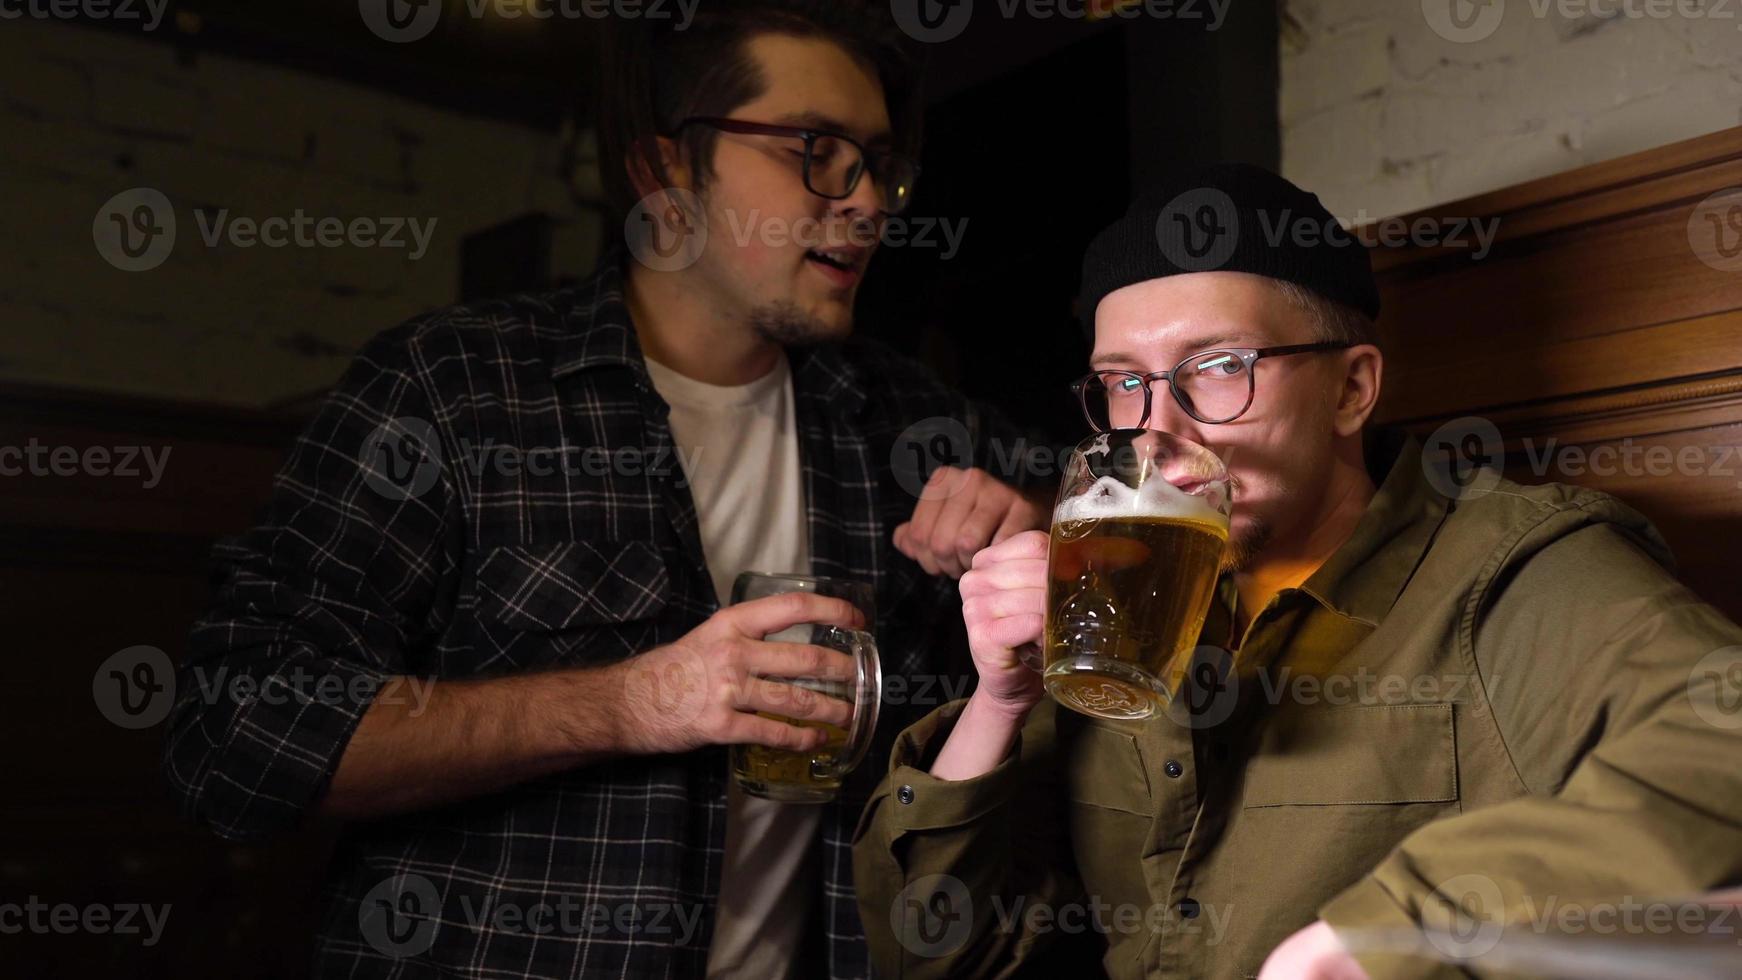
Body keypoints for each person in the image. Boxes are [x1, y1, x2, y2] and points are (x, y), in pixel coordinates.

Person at [161, 4, 1047, 977]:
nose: (869, 201)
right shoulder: (450, 387)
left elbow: (1133, 519)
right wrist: (632, 701)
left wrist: (1037, 533)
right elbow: (235, 732)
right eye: (816, 151)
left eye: (880, 163)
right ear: (662, 171)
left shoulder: (911, 422)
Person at [852, 163, 1742, 979]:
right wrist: (999, 704)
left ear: (1353, 389)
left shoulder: (1507, 573)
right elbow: (933, 958)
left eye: (1221, 367)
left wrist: (1405, 931)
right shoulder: (1122, 599)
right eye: (1125, 383)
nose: (1159, 432)